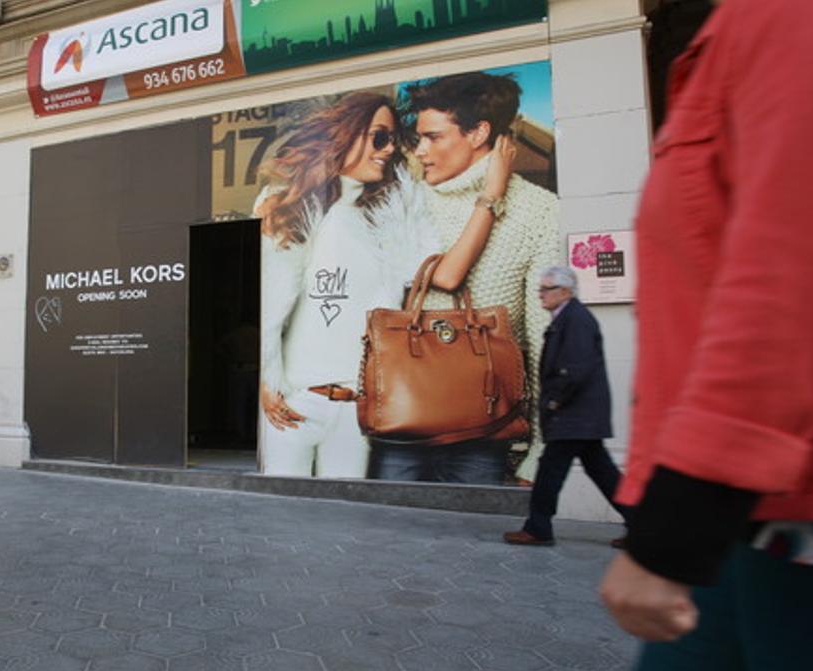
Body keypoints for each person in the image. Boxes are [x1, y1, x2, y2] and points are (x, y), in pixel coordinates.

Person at [599, 0, 813, 671]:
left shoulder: (808, 14)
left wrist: (674, 532)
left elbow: (796, 286)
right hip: (748, 524)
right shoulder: (738, 30)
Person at [256, 92, 514, 479]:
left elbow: (445, 276)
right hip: (290, 402)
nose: (389, 148)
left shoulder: (391, 217)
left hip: (353, 408)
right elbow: (267, 304)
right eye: (380, 137)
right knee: (277, 517)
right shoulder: (284, 208)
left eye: (392, 140)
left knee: (343, 517)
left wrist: (490, 195)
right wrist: (265, 381)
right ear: (347, 135)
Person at [371, 72, 563, 485]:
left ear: (479, 133)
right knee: (383, 536)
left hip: (483, 432)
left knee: (475, 543)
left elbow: (543, 339)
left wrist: (541, 451)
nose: (420, 151)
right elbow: (442, 277)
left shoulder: (541, 212)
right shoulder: (405, 198)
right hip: (402, 420)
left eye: (434, 137)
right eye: (418, 138)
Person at [503, 267, 629, 547]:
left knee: (549, 471)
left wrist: (554, 401)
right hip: (581, 418)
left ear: (565, 291)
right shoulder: (569, 318)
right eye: (542, 289)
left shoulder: (576, 320)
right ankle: (644, 527)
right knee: (604, 474)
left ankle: (538, 528)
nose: (541, 295)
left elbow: (575, 368)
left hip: (573, 416)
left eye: (546, 289)